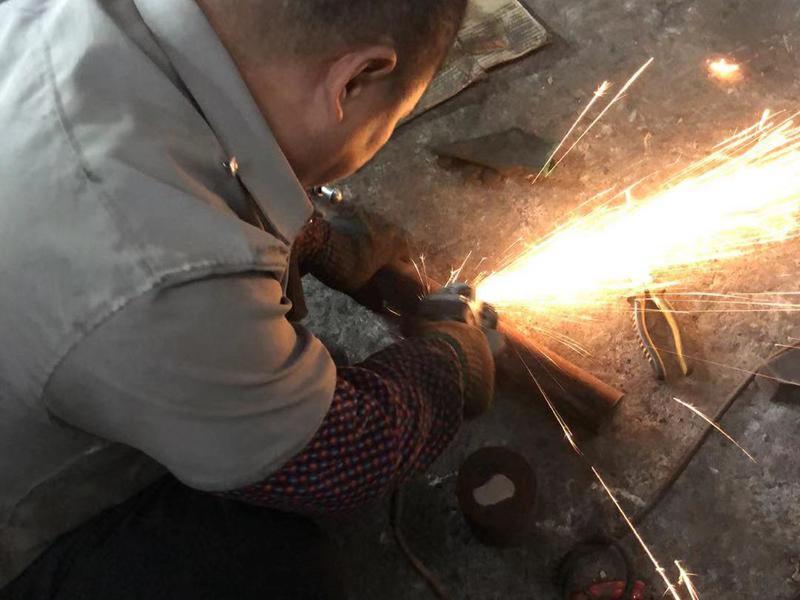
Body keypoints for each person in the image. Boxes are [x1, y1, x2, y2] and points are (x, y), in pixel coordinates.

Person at [0, 0, 497, 598]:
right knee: (270, 568)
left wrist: (308, 236)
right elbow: (339, 462)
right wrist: (445, 367)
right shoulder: (162, 272)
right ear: (354, 80)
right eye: (392, 117)